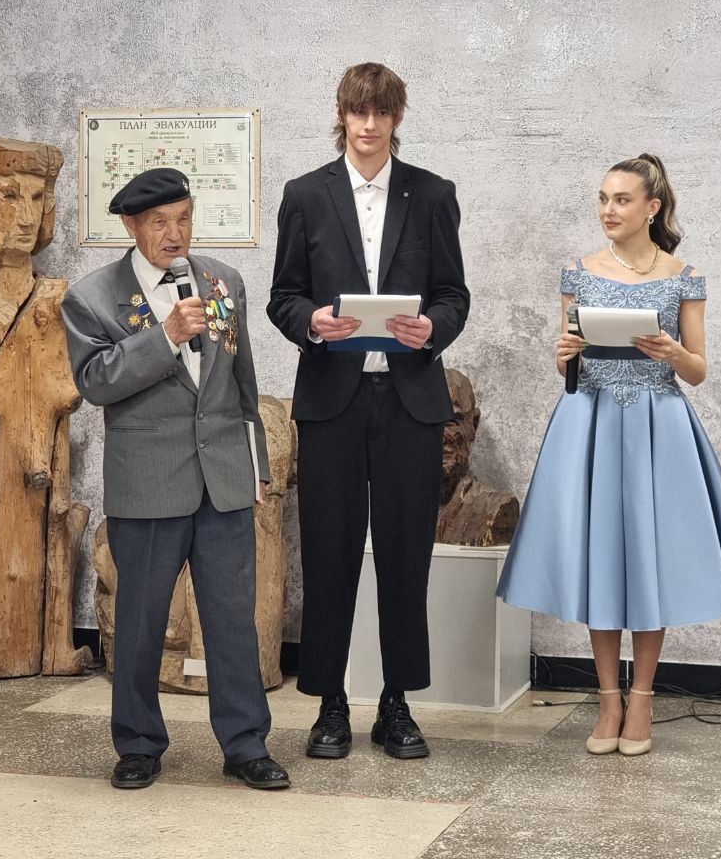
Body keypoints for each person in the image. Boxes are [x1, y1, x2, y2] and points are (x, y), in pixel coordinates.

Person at [497, 153, 721, 756]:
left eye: (621, 199)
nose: (608, 210)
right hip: (590, 420)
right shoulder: (578, 272)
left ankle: (642, 698)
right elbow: (567, 368)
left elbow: (697, 371)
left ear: (652, 207)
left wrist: (672, 352)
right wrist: (564, 354)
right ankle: (608, 700)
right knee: (600, 554)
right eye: (603, 198)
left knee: (650, 555)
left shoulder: (683, 276)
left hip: (658, 422)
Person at [62, 167, 289, 791]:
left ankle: (246, 744)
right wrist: (164, 337)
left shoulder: (223, 281)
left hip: (224, 480)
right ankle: (138, 744)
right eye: (160, 222)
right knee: (139, 621)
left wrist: (257, 466)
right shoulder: (92, 297)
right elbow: (95, 382)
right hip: (147, 484)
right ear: (131, 226)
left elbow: (243, 383)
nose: (175, 233)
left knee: (233, 621)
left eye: (184, 219)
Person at [267, 63, 469, 760]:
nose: (369, 124)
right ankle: (329, 705)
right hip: (332, 403)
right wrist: (312, 322)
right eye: (359, 111)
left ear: (396, 118)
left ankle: (396, 704)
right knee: (328, 553)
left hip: (410, 403)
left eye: (382, 112)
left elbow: (453, 295)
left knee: (406, 558)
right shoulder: (305, 195)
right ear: (341, 114)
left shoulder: (433, 194)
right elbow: (284, 296)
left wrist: (433, 328)